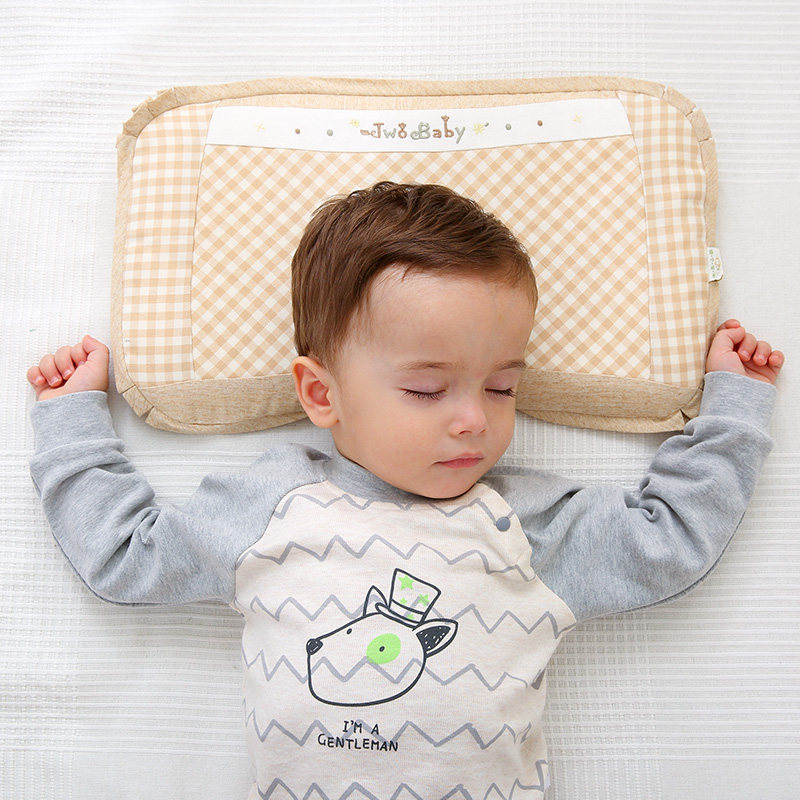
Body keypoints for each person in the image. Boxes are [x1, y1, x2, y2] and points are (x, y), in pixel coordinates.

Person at [27, 182, 783, 799]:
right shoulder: (272, 506)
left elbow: (664, 543)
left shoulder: (525, 524)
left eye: (501, 386)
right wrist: (72, 423)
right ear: (321, 394)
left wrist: (732, 411)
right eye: (426, 390)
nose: (474, 420)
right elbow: (126, 555)